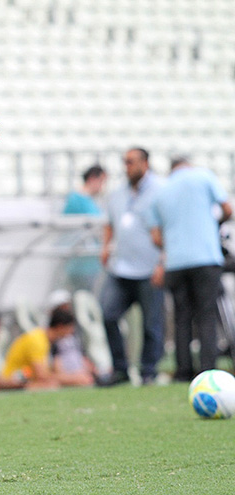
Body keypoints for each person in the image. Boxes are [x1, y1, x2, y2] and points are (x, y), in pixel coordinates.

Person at [147, 157, 232, 381]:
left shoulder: (161, 191)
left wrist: (174, 243)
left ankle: (183, 371)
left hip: (175, 263)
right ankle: (208, 370)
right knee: (206, 315)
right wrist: (213, 226)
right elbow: (227, 209)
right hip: (205, 258)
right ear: (188, 165)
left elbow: (155, 236)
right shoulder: (204, 177)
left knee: (181, 317)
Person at [98, 148, 165, 386]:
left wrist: (163, 262)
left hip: (150, 268)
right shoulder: (117, 194)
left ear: (145, 163)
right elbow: (109, 223)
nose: (127, 167)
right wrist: (106, 246)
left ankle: (149, 371)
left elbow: (168, 227)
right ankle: (120, 369)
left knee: (151, 323)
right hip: (121, 268)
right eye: (124, 162)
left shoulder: (161, 191)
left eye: (131, 162)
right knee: (108, 314)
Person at [2, 307, 95, 389]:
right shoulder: (37, 340)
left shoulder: (45, 340)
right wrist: (73, 379)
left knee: (53, 384)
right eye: (70, 329)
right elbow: (42, 375)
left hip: (26, 378)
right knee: (51, 385)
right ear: (61, 326)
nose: (71, 333)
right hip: (14, 380)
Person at [62, 165, 107, 292]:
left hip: (91, 263)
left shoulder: (91, 202)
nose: (103, 186)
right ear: (93, 178)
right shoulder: (76, 199)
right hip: (80, 264)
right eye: (102, 181)